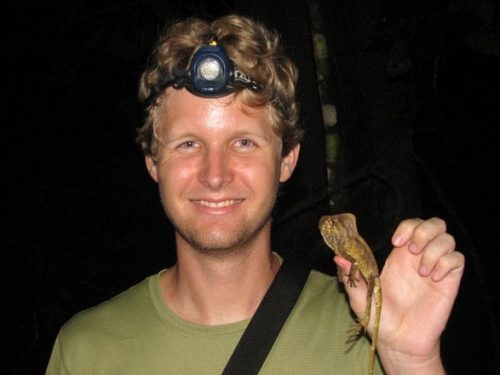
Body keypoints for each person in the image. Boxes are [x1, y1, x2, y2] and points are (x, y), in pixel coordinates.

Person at [45, 14, 465, 374]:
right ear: (153, 162)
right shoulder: (87, 351)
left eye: (243, 142)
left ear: (287, 161)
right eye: (189, 144)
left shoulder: (365, 335)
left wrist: (412, 360)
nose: (215, 175)